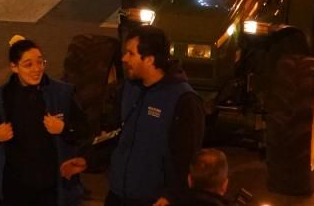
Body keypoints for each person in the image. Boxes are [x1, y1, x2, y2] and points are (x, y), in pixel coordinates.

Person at [63, 26, 206, 206]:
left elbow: (187, 158)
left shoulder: (183, 100)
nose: (123, 58)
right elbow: (117, 136)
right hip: (118, 196)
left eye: (131, 53)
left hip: (153, 201)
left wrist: (171, 196)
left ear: (149, 59)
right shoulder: (129, 89)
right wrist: (89, 160)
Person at [0, 35, 84, 206]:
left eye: (40, 62)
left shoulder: (62, 93)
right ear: (14, 67)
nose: (36, 69)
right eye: (28, 65)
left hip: (51, 189)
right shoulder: (4, 96)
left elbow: (84, 131)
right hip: (14, 189)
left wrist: (64, 128)